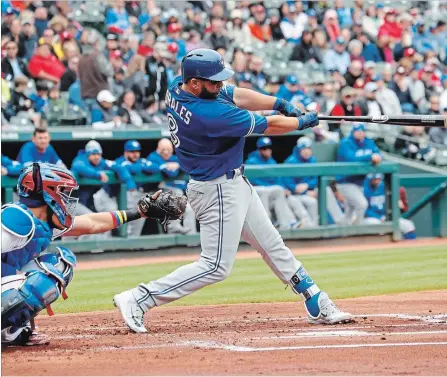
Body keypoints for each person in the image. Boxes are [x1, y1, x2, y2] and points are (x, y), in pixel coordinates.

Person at [113, 48, 351, 334]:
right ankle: (139, 298)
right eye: (213, 81)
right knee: (215, 266)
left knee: (271, 243)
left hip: (232, 183)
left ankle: (315, 300)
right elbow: (270, 126)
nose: (219, 85)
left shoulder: (180, 87)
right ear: (195, 83)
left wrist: (279, 102)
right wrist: (301, 123)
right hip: (217, 189)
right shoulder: (210, 114)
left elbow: (236, 93)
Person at [1, 162, 180, 346]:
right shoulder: (17, 218)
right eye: (62, 190)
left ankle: (9, 333)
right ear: (48, 192)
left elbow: (92, 223)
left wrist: (139, 213)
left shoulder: (44, 223)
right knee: (47, 274)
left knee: (60, 265)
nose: (66, 197)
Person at [284, 137, 346, 227]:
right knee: (311, 202)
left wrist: (307, 185)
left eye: (308, 148)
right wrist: (305, 192)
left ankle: (340, 220)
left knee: (326, 190)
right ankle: (313, 227)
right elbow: (289, 185)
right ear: (298, 149)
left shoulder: (312, 160)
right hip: (296, 195)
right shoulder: (290, 162)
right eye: (303, 148)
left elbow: (317, 179)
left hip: (311, 191)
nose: (306, 151)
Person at [245, 137, 300, 230]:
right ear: (259, 150)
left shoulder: (272, 161)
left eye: (269, 148)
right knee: (266, 191)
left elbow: (278, 179)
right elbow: (252, 181)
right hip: (256, 193)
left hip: (270, 193)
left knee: (279, 190)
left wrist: (283, 188)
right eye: (264, 148)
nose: (267, 151)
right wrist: (270, 186)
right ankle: (266, 225)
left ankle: (286, 223)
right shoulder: (251, 162)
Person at [147, 138, 197, 235]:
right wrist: (167, 166)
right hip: (156, 196)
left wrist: (178, 165)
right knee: (175, 196)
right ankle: (174, 229)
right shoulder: (153, 157)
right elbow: (171, 173)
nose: (166, 152)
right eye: (163, 149)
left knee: (190, 209)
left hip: (175, 196)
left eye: (168, 150)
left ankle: (191, 238)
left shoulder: (174, 158)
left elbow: (190, 167)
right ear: (158, 149)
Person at [71, 140, 136, 213]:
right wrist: (97, 174)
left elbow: (119, 167)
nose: (97, 157)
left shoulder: (101, 162)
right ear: (87, 154)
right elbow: (78, 167)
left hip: (90, 200)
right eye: (93, 154)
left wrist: (129, 182)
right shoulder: (80, 159)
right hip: (75, 201)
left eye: (98, 154)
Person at [336, 123, 382, 225]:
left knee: (349, 211)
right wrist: (370, 157)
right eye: (358, 131)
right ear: (353, 132)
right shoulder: (346, 143)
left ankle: (341, 231)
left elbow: (378, 154)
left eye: (362, 131)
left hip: (360, 182)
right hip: (345, 182)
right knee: (362, 205)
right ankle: (356, 231)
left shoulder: (368, 142)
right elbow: (350, 159)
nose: (360, 133)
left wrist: (377, 157)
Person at [115, 140, 158, 237]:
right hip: (114, 197)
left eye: (137, 151)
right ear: (125, 153)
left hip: (135, 195)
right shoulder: (120, 161)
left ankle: (133, 240)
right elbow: (129, 168)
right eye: (132, 152)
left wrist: (139, 166)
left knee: (140, 211)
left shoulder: (141, 161)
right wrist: (142, 167)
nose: (135, 154)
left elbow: (156, 168)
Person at [363, 173, 416, 239]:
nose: (377, 181)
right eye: (374, 179)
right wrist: (379, 217)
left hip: (387, 217)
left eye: (378, 179)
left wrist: (397, 205)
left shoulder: (386, 188)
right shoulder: (364, 190)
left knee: (408, 225)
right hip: (371, 218)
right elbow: (365, 210)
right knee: (375, 224)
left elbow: (399, 207)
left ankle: (408, 246)